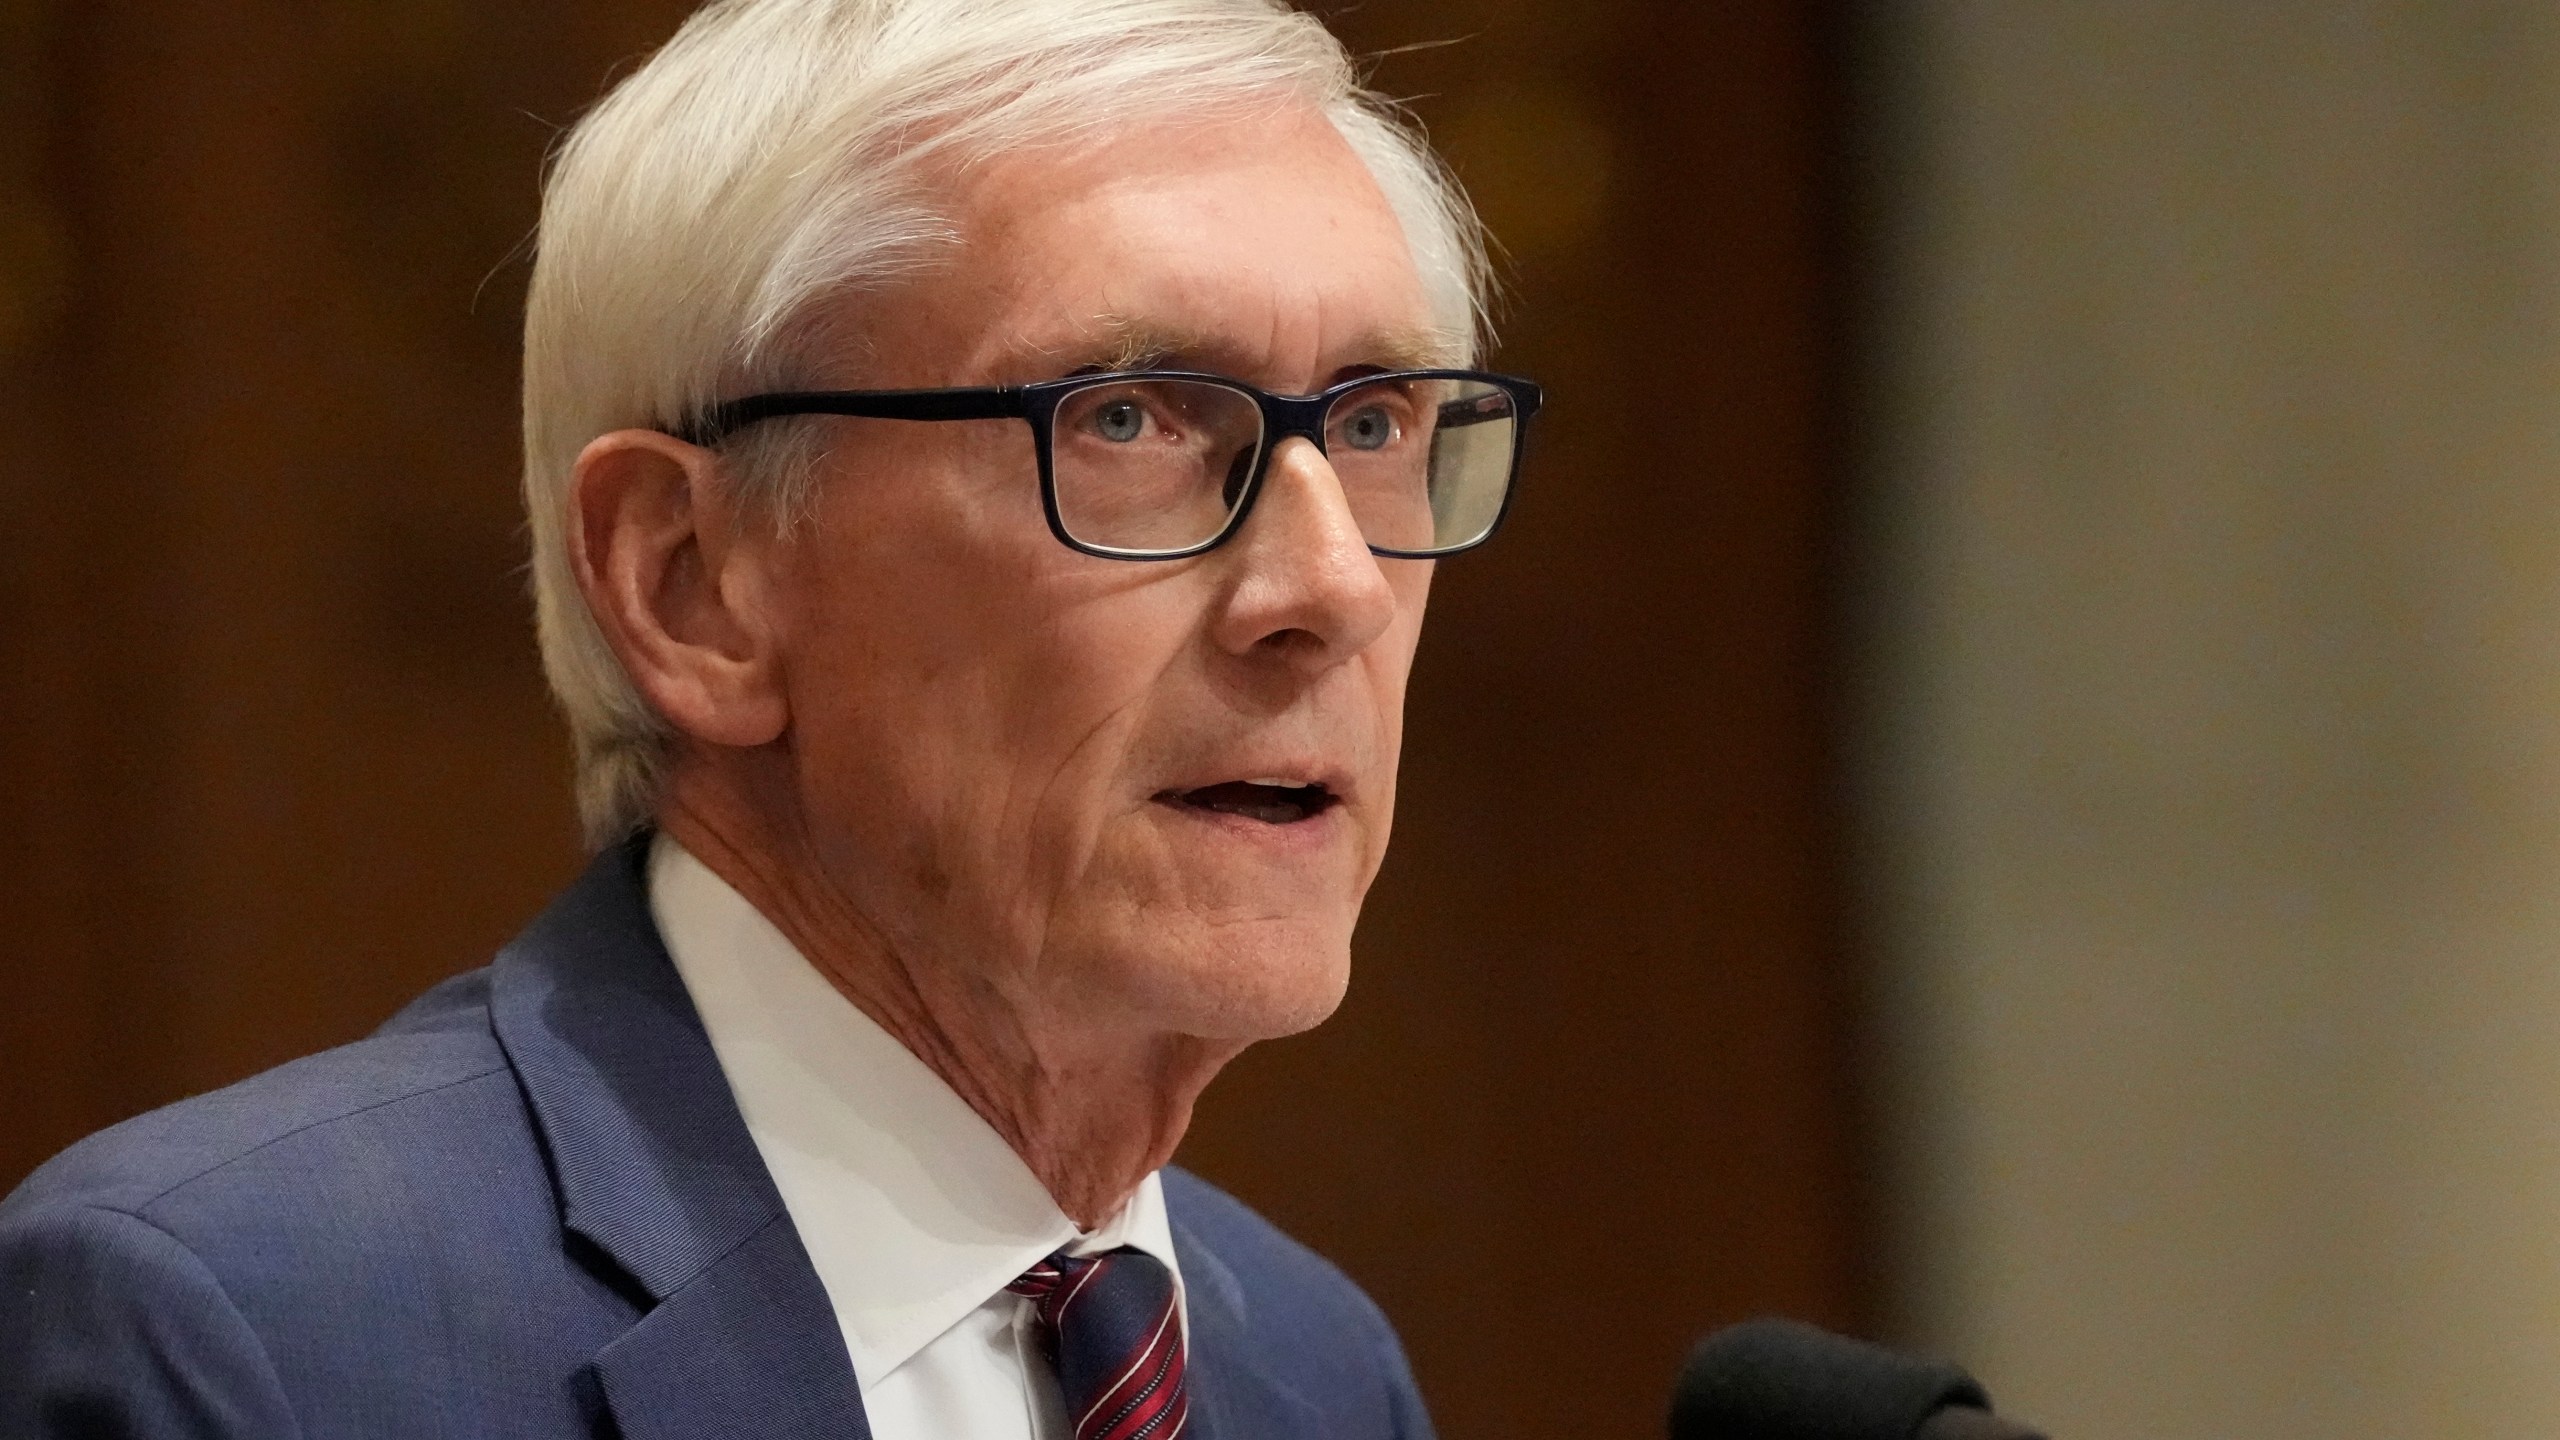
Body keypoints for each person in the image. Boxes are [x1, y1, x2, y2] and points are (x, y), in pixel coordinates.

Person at [0, 0, 1539, 1435]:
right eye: (1125, 419)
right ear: (694, 585)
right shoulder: (238, 1335)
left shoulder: (1313, 1375)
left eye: (1373, 421)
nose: (1331, 585)